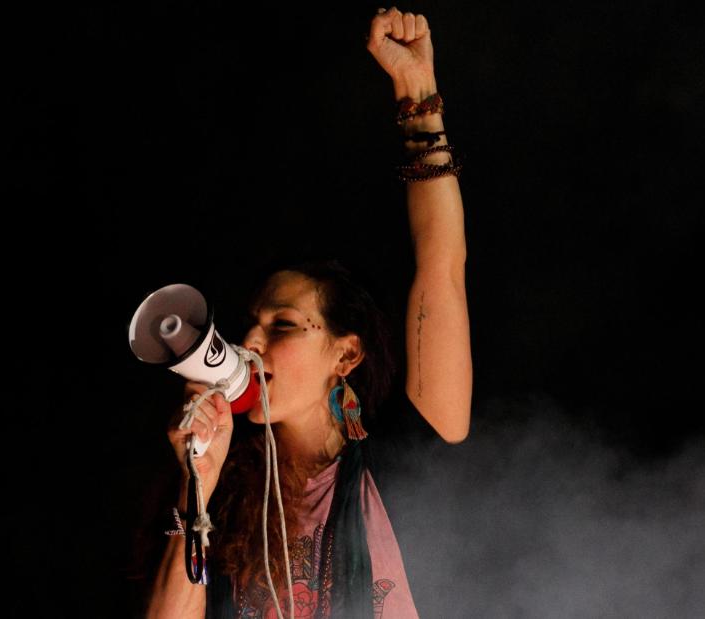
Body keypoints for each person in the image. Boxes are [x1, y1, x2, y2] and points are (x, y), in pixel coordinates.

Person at [147, 7, 471, 618]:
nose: (250, 339)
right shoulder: (222, 491)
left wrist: (417, 93)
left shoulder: (407, 457)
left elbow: (441, 267)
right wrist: (197, 488)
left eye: (284, 325)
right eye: (253, 322)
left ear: (346, 354)